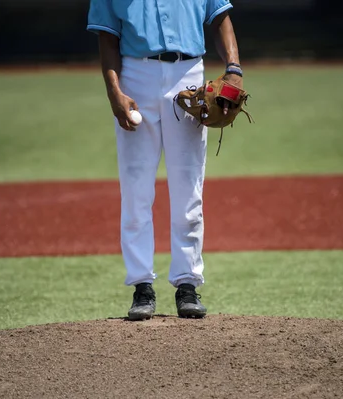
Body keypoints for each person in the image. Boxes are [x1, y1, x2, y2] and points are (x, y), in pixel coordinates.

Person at [87, 0, 244, 321]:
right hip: (135, 75)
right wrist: (113, 92)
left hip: (188, 75)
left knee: (189, 187)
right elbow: (107, 37)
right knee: (135, 187)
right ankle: (141, 285)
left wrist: (234, 69)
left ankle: (187, 284)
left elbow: (220, 18)